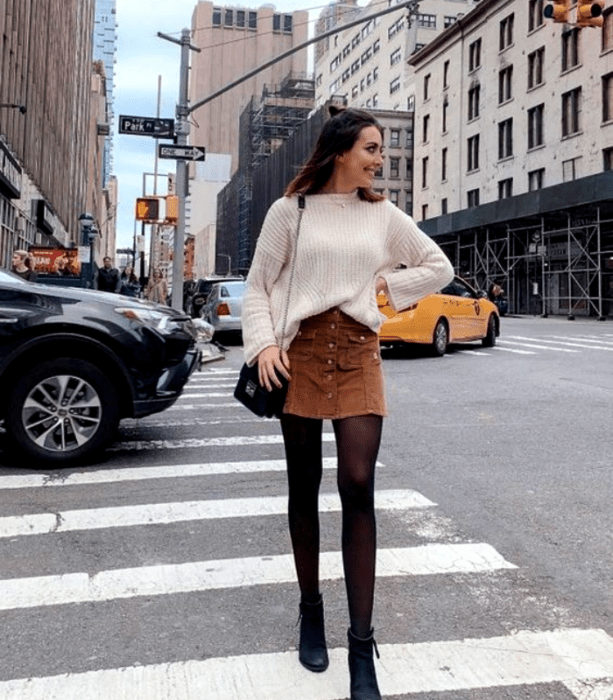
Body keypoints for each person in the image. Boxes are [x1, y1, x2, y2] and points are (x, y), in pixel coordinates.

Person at [242, 106, 454, 700]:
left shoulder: (384, 216)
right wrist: (261, 345)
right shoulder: (292, 211)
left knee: (358, 487)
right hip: (299, 353)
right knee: (303, 484)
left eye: (381, 149)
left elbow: (439, 266)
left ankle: (362, 645)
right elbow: (259, 285)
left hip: (359, 350)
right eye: (371, 148)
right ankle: (312, 611)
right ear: (340, 151)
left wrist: (387, 289)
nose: (380, 158)